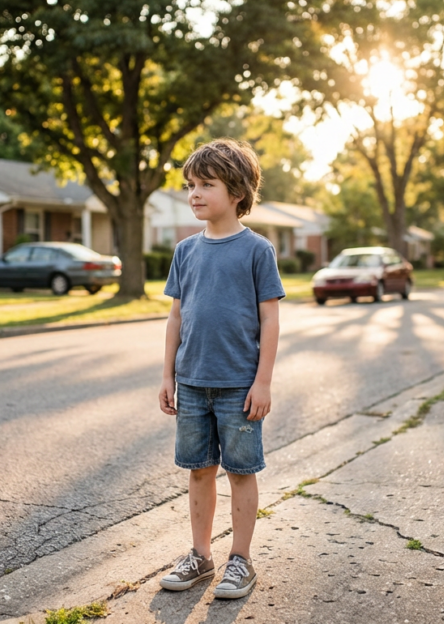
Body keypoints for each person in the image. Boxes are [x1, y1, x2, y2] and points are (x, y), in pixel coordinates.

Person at [157, 138, 285, 600]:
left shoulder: (256, 250)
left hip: (238, 387)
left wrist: (262, 381)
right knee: (199, 471)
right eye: (190, 185)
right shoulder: (185, 251)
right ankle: (200, 556)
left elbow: (270, 319)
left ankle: (241, 560)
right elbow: (176, 317)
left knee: (241, 472)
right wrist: (168, 375)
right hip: (192, 384)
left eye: (206, 184)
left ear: (237, 192)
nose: (194, 193)